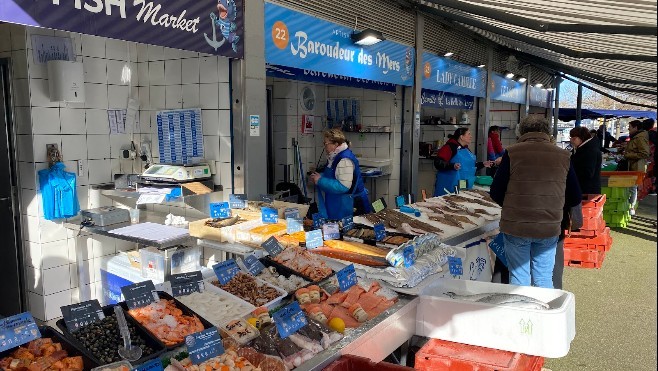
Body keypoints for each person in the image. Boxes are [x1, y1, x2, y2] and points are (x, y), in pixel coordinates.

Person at [489, 116, 582, 288]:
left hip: (516, 227)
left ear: (522, 131)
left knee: (519, 278)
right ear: (547, 132)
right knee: (544, 278)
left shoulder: (512, 153)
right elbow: (575, 196)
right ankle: (543, 313)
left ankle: (523, 314)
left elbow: (495, 192)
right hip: (549, 226)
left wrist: (514, 205)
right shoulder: (563, 155)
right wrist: (554, 204)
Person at [309, 129, 372, 220]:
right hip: (338, 204)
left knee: (349, 233)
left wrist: (320, 180)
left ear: (336, 144)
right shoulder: (334, 157)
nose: (324, 147)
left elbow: (343, 186)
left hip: (349, 205)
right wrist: (319, 176)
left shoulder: (344, 160)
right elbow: (334, 175)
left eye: (326, 144)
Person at [433, 128, 493, 196]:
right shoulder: (449, 147)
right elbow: (438, 163)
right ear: (461, 137)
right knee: (447, 202)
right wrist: (452, 166)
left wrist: (482, 164)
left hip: (462, 183)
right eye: (469, 134)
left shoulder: (466, 149)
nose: (471, 136)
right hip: (449, 184)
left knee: (459, 200)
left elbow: (469, 167)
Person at [622, 120, 651, 214]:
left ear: (636, 127)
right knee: (633, 187)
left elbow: (645, 153)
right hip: (634, 165)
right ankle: (631, 206)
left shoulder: (640, 137)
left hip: (637, 166)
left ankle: (632, 208)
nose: (628, 129)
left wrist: (628, 155)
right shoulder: (637, 137)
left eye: (630, 127)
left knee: (633, 188)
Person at [570, 127, 602, 195]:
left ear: (581, 138)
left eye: (574, 138)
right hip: (583, 188)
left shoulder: (589, 150)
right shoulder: (582, 148)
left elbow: (588, 173)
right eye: (571, 138)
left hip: (588, 191)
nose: (571, 140)